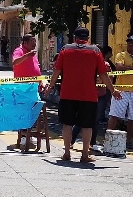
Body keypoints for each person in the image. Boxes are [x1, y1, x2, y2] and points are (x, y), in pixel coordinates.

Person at [44, 27, 122, 164]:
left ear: (75, 37)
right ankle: (85, 154)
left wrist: (50, 87)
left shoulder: (65, 49)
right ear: (87, 38)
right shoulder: (95, 51)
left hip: (67, 93)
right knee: (87, 125)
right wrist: (113, 90)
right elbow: (103, 74)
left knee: (67, 124)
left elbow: (57, 70)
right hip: (88, 95)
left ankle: (67, 153)